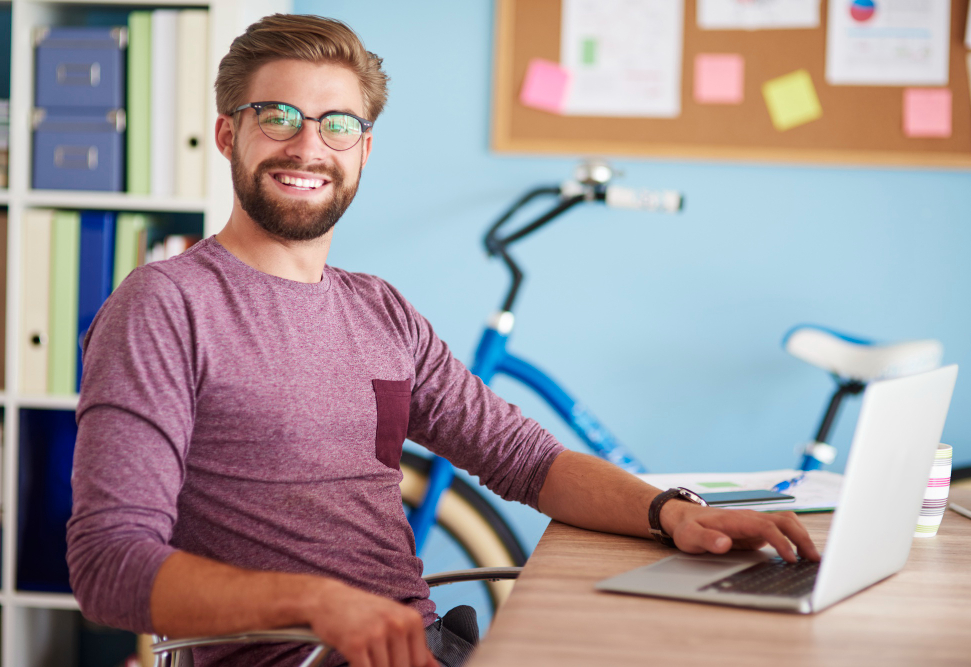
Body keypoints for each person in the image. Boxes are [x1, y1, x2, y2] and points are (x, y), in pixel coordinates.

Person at [67, 14, 819, 667]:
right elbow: (108, 566)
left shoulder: (381, 310)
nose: (308, 146)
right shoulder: (163, 308)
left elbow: (525, 460)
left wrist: (674, 512)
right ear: (229, 133)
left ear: (364, 149)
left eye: (337, 124)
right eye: (279, 116)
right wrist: (319, 604)